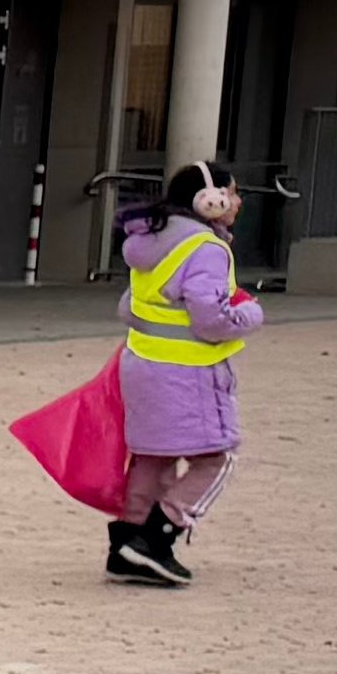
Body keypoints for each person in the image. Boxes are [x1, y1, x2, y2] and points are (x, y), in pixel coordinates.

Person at [104, 159, 262, 589]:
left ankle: (127, 543)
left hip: (141, 365)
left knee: (153, 455)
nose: (237, 201)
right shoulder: (206, 248)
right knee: (216, 457)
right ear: (208, 201)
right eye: (231, 192)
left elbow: (127, 307)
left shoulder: (149, 241)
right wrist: (249, 313)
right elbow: (210, 320)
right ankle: (159, 535)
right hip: (189, 371)